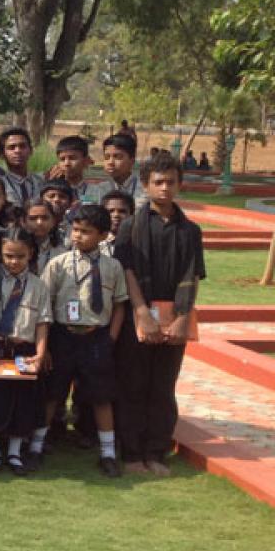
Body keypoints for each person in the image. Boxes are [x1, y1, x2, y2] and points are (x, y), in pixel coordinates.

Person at [114, 152, 205, 477]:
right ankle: (133, 453)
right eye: (158, 182)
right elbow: (127, 272)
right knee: (134, 385)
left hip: (175, 316)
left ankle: (157, 451)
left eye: (171, 182)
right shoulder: (130, 227)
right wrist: (141, 313)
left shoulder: (190, 231)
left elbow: (192, 275)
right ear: (145, 185)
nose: (165, 188)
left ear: (180, 185)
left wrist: (182, 317)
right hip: (138, 316)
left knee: (163, 387)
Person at [39, 205, 129, 478]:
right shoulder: (58, 264)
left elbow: (119, 306)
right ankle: (35, 446)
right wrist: (45, 344)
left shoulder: (113, 267)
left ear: (103, 235)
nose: (78, 236)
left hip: (96, 337)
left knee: (102, 397)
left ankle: (108, 453)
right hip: (62, 336)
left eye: (86, 232)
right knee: (52, 393)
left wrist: (110, 339)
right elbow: (45, 304)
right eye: (75, 230)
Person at [0, 227, 51, 476]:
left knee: (23, 401)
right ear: (0, 254)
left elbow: (42, 322)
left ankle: (14, 451)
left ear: (30, 254)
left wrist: (41, 353)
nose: (14, 261)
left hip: (25, 352)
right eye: (8, 256)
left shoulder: (39, 286)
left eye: (20, 256)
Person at [89, 134, 147, 209]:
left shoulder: (145, 189)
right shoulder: (98, 188)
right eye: (107, 157)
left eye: (117, 157)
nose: (110, 162)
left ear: (132, 161)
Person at [0, 127, 42, 209]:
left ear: (31, 151)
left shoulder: (41, 182)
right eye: (11, 147)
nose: (17, 151)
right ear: (2, 154)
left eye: (22, 146)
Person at [21, 198, 68, 271]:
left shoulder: (62, 252)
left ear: (53, 221)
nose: (39, 223)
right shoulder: (14, 248)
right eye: (33, 218)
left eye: (45, 218)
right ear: (23, 222)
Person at [54, 136, 93, 204]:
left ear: (86, 161)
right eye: (62, 159)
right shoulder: (52, 192)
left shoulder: (95, 190)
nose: (66, 164)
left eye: (72, 158)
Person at [100, 190, 135, 257]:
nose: (116, 215)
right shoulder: (95, 243)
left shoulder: (138, 242)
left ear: (131, 214)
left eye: (122, 211)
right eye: (111, 211)